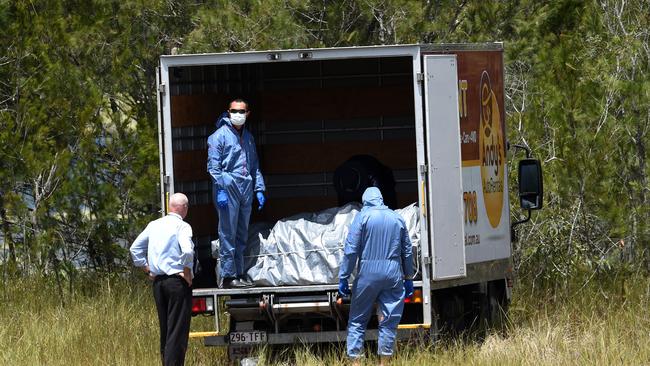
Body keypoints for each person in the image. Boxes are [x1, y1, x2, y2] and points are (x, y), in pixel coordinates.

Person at [338, 187, 414, 362]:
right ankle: (384, 363)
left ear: (366, 201)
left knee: (357, 320)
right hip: (393, 274)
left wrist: (344, 276)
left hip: (368, 274)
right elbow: (407, 250)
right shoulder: (397, 218)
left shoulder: (362, 217)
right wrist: (408, 277)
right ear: (381, 199)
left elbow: (351, 250)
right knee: (388, 321)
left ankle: (356, 362)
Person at [130, 193, 194, 366]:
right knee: (177, 331)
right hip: (176, 283)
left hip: (158, 283)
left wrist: (147, 269)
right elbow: (188, 251)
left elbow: (134, 248)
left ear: (170, 206)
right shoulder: (182, 226)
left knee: (165, 330)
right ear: (184, 208)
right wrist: (187, 271)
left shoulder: (154, 225)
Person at [207, 98, 266, 288]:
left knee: (242, 232)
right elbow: (213, 167)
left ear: (248, 114)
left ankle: (239, 273)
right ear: (229, 112)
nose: (238, 115)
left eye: (241, 111)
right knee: (227, 232)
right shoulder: (219, 136)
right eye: (234, 111)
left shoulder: (248, 137)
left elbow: (254, 164)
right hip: (228, 185)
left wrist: (259, 188)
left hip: (246, 186)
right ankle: (228, 275)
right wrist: (221, 189)